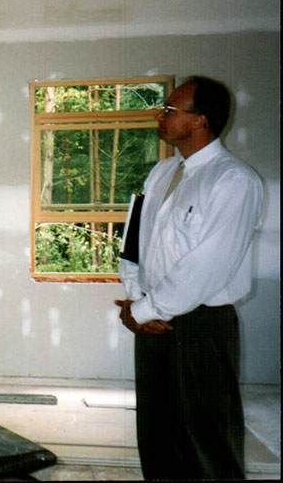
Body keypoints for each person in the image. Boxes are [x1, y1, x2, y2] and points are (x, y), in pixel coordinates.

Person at [115, 76, 263, 479]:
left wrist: (144, 310)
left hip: (201, 327)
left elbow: (206, 266)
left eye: (170, 110)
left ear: (200, 120)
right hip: (152, 324)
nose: (159, 116)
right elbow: (134, 244)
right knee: (158, 437)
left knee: (207, 442)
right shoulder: (162, 173)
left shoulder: (233, 181)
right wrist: (135, 299)